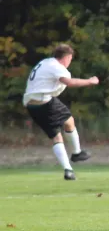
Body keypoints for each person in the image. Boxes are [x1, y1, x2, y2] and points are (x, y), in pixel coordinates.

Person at [23, 44, 99, 180]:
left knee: (56, 137)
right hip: (44, 101)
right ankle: (77, 153)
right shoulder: (57, 67)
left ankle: (68, 170)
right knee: (69, 121)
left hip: (31, 104)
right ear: (67, 57)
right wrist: (90, 81)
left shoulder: (45, 62)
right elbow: (69, 82)